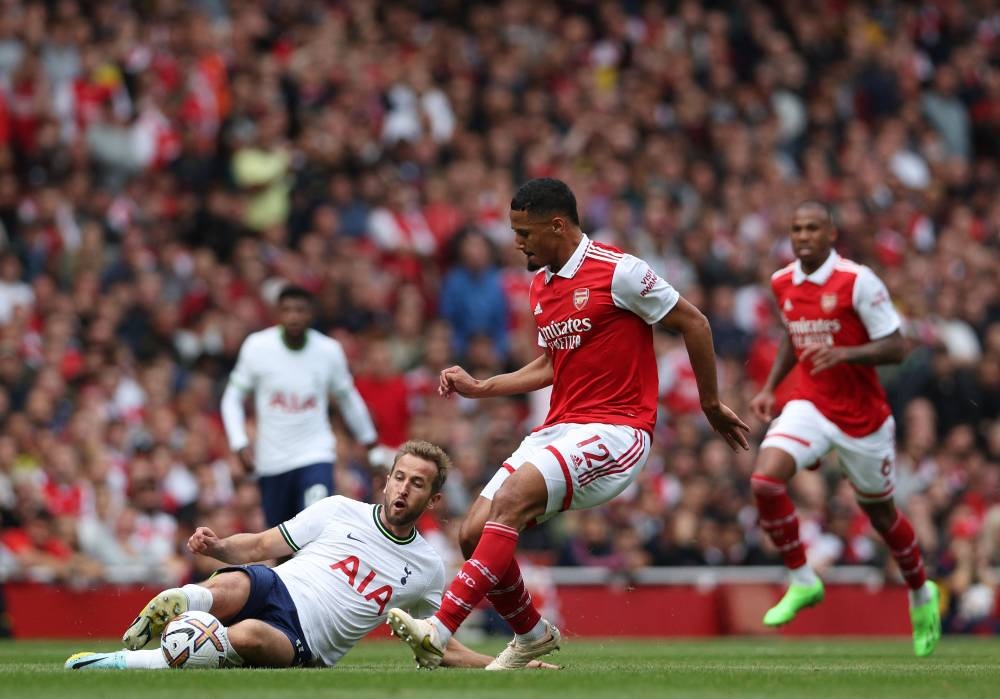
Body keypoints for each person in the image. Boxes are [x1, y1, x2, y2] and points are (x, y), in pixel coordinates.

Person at [387, 178, 750, 669]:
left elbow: (695, 322)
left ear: (557, 225)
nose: (518, 242)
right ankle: (532, 635)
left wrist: (710, 403)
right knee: (472, 532)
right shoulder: (542, 284)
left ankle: (441, 627)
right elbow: (550, 364)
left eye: (525, 232)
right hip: (559, 428)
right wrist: (484, 386)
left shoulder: (619, 271)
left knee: (511, 501)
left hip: (619, 429)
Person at [65, 440, 558, 670]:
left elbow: (440, 644)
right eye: (400, 477)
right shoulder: (340, 509)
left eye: (418, 484)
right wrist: (218, 547)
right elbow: (262, 545)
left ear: (432, 502)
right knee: (235, 582)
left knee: (248, 636)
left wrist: (502, 664)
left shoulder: (428, 568)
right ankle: (182, 605)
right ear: (386, 481)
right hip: (278, 585)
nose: (404, 489)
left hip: (306, 641)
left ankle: (123, 661)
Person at [748, 201, 941, 656]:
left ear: (832, 233)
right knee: (764, 480)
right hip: (811, 404)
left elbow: (897, 347)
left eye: (813, 228)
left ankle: (920, 591)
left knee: (881, 515)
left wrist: (845, 354)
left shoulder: (858, 281)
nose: (803, 236)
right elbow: (793, 336)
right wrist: (771, 387)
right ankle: (801, 578)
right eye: (796, 229)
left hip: (864, 418)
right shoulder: (782, 282)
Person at [220, 284, 390, 528]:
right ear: (277, 314)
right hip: (272, 461)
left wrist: (372, 447)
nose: (293, 317)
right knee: (280, 543)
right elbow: (231, 398)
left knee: (314, 526)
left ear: (311, 314)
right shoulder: (257, 348)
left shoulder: (328, 351)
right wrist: (239, 443)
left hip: (315, 454)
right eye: (287, 310)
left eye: (300, 310)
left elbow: (348, 399)